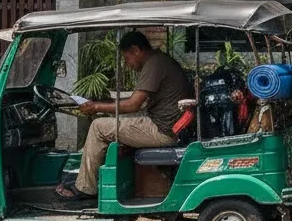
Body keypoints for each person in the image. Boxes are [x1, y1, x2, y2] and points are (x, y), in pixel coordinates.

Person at [55, 31, 192, 201]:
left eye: (126, 58)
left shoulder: (154, 64)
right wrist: (105, 103)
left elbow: (133, 104)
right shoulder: (159, 61)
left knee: (98, 126)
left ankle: (85, 187)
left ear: (136, 50)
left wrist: (96, 106)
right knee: (110, 121)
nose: (127, 64)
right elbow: (137, 100)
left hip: (163, 130)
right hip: (167, 126)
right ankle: (103, 181)